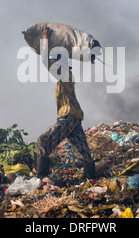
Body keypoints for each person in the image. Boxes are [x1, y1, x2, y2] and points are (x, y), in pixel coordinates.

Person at [35, 26, 96, 179]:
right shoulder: (66, 74)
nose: (52, 62)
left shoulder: (62, 73)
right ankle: (92, 178)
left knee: (43, 142)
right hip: (75, 117)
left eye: (54, 60)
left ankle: (41, 178)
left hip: (68, 116)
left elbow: (44, 58)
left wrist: (45, 39)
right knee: (83, 152)